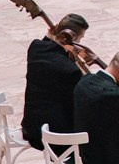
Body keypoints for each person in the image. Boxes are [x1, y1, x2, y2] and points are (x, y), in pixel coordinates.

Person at [21, 10, 89, 147]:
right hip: (54, 138)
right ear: (70, 38)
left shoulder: (35, 47)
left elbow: (48, 44)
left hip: (30, 128)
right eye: (79, 39)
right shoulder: (70, 70)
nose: (79, 44)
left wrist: (55, 36)